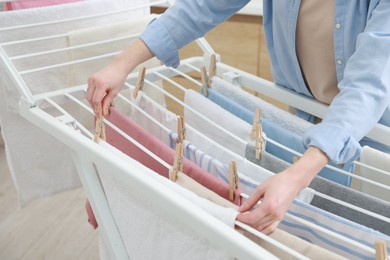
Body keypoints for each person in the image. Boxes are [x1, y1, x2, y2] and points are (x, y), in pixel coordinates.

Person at [87, 0, 390, 234]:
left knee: (369, 229)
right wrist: (122, 63)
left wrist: (295, 177)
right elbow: (203, 5)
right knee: (316, 224)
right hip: (307, 119)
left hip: (378, 130)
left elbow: (368, 85)